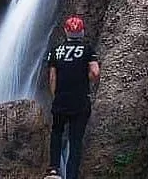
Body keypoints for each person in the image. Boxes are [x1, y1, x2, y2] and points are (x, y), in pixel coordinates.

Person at [44, 15, 100, 179]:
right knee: (75, 140)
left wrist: (55, 96)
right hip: (80, 101)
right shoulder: (87, 50)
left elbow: (52, 77)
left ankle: (54, 169)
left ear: (66, 31)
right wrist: (85, 78)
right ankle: (71, 175)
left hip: (61, 100)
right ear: (82, 32)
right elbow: (95, 72)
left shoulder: (56, 51)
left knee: (57, 132)